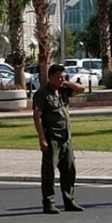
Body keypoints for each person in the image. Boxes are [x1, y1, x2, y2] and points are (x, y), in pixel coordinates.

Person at [33, 64, 85, 214]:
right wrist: (41, 138)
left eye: (63, 76)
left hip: (66, 138)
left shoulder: (63, 90)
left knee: (69, 170)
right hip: (52, 138)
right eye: (58, 77)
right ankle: (49, 203)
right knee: (49, 171)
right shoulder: (42, 94)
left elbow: (81, 89)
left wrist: (65, 82)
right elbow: (37, 117)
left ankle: (69, 200)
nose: (61, 79)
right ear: (49, 77)